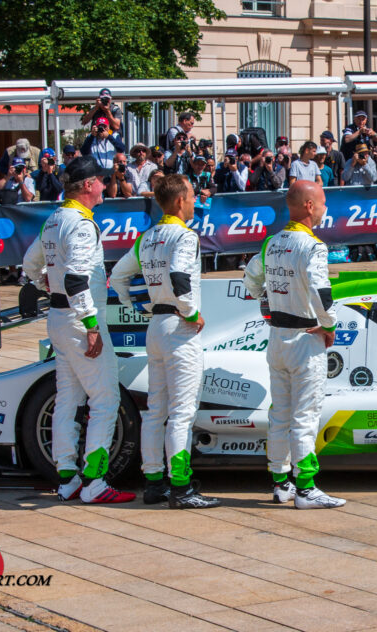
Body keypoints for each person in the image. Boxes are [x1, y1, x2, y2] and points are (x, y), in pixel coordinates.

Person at [22, 156, 135, 504]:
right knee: (105, 399)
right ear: (88, 186)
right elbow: (75, 279)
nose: (105, 185)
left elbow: (30, 264)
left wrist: (44, 282)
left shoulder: (54, 218)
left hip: (58, 318)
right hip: (78, 319)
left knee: (68, 400)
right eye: (100, 180)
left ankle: (68, 478)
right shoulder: (82, 224)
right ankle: (95, 483)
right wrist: (90, 325)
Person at [110, 175, 220, 508]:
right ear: (178, 202)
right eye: (190, 197)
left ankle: (154, 483)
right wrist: (191, 312)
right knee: (182, 414)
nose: (194, 202)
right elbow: (179, 277)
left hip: (156, 325)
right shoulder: (185, 236)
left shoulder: (147, 237)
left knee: (155, 411)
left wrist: (137, 306)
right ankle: (182, 488)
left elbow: (117, 276)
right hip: (178, 327)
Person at [243, 180, 345, 509]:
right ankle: (306, 489)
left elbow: (250, 279)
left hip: (277, 339)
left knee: (280, 415)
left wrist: (267, 300)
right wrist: (329, 325)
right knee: (305, 416)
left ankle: (280, 483)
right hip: (305, 338)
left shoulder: (270, 243)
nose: (325, 208)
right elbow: (321, 293)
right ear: (310, 207)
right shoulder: (313, 246)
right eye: (323, 202)